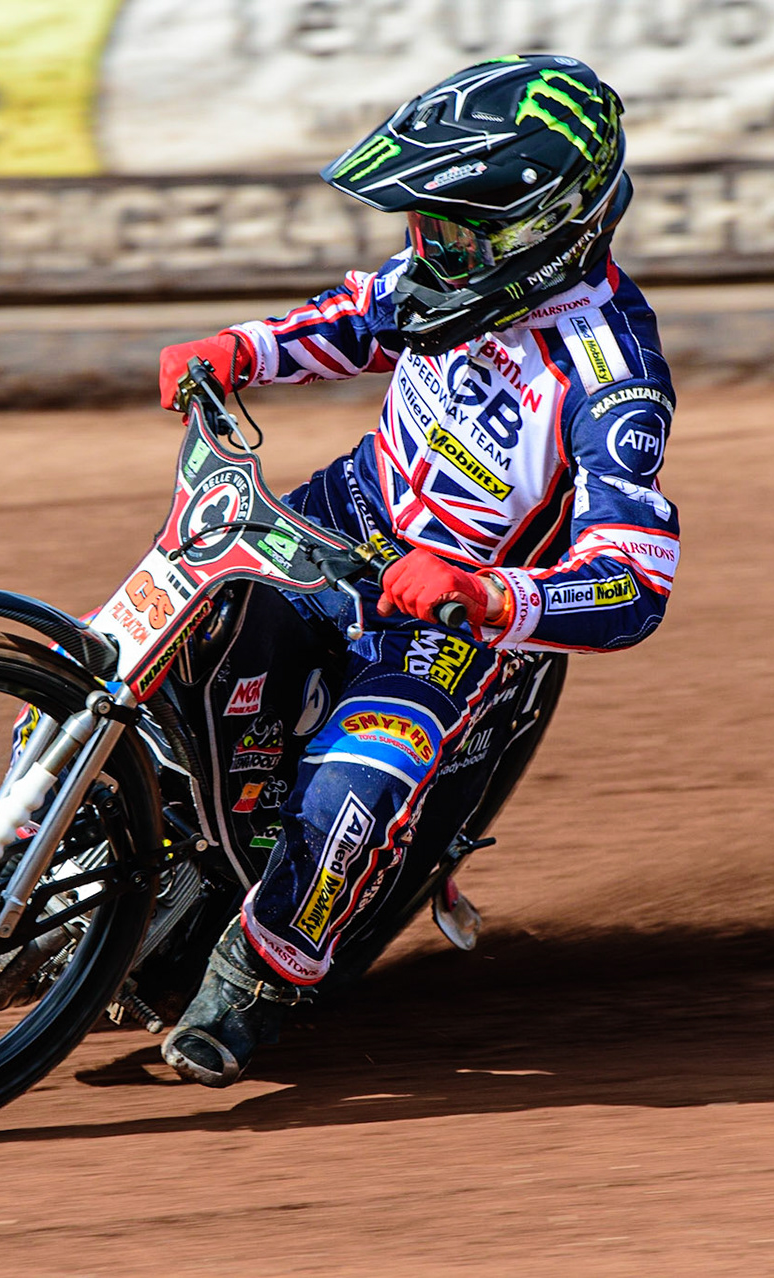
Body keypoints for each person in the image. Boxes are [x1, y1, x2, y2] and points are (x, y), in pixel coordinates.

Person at [154, 54, 681, 1087]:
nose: (421, 245)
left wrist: (489, 593)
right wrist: (240, 349)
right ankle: (15, 838)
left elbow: (637, 581)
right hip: (338, 517)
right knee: (147, 632)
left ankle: (260, 978)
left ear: (535, 232)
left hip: (451, 626)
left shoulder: (612, 378)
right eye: (421, 222)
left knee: (358, 781)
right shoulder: (442, 278)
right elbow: (359, 316)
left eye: (447, 228)